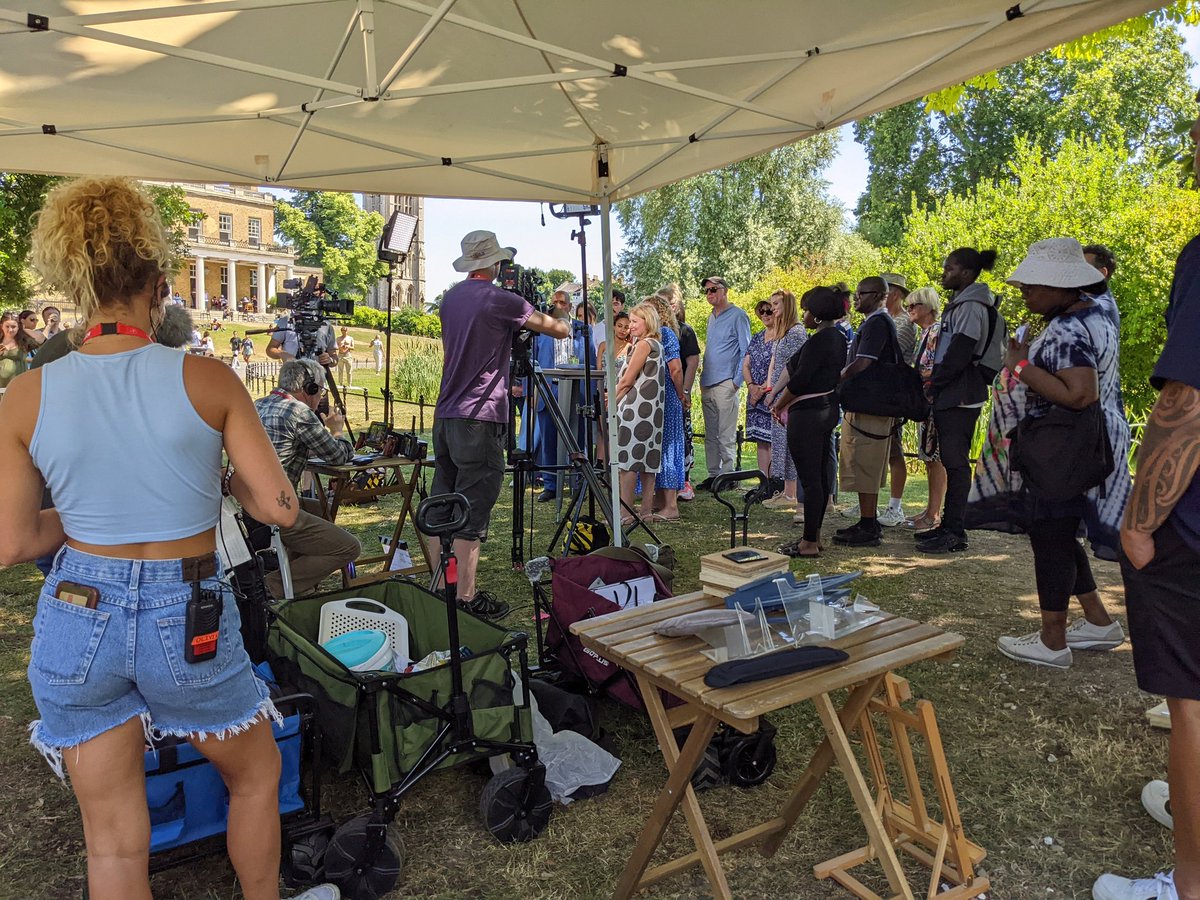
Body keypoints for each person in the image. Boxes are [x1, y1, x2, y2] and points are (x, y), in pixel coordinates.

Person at [0, 175, 337, 900]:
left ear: (78, 286)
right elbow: (280, 507)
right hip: (184, 614)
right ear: (159, 285)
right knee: (256, 775)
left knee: (113, 842)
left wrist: (94, 519)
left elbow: (14, 541)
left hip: (77, 609)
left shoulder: (26, 393)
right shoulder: (208, 378)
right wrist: (208, 485)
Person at [1092, 118, 1200, 893]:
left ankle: (1188, 882)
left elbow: (1188, 398)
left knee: (1193, 705)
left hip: (1192, 525)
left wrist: (1138, 518)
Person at [984, 238, 1130, 669]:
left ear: (1059, 285)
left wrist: (1020, 365)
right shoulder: (1097, 313)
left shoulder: (1066, 327)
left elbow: (1079, 393)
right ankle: (1099, 621)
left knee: (1050, 533)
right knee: (1059, 530)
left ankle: (1052, 641)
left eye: (1031, 285)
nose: (1024, 291)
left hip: (1065, 446)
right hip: (1090, 441)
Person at [430, 230, 568, 620]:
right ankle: (466, 599)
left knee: (444, 502)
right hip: (479, 415)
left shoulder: (451, 298)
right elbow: (558, 330)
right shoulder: (499, 299)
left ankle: (443, 588)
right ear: (492, 264)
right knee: (473, 510)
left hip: (446, 414)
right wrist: (560, 309)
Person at [253, 359, 361, 599]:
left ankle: (301, 588)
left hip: (246, 506)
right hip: (274, 512)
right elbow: (338, 455)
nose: (320, 397)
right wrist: (336, 430)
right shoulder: (298, 411)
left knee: (321, 509)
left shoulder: (257, 405)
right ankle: (273, 588)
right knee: (350, 547)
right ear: (309, 388)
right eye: (320, 390)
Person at [919, 247, 1000, 555]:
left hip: (961, 393)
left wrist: (935, 383)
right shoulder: (964, 304)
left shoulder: (971, 307)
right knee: (951, 460)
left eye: (950, 268)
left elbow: (960, 351)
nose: (944, 272)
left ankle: (955, 530)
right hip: (956, 390)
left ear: (966, 273)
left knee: (955, 461)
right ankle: (948, 525)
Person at [770, 287, 848, 557]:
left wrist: (779, 403)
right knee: (820, 475)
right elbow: (792, 366)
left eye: (806, 310)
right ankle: (813, 534)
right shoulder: (835, 337)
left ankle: (809, 542)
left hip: (809, 413)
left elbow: (800, 379)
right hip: (825, 411)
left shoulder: (821, 340)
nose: (803, 314)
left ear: (815, 315)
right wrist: (774, 394)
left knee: (810, 477)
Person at [833, 276, 899, 548]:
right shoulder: (873, 322)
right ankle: (866, 519)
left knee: (867, 462)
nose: (857, 298)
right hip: (865, 404)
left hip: (872, 405)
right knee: (859, 461)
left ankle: (870, 525)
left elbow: (864, 363)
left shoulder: (878, 323)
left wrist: (838, 377)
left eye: (863, 293)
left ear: (880, 295)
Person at [698, 276, 751, 489]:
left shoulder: (738, 315)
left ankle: (728, 476)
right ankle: (714, 475)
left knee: (726, 433)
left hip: (726, 383)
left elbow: (745, 350)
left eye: (714, 289)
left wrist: (736, 381)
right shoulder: (712, 316)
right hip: (708, 381)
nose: (710, 294)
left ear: (725, 290)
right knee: (710, 434)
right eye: (707, 291)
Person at [615, 304, 664, 525]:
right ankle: (645, 511)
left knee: (628, 462)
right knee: (648, 462)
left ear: (648, 322)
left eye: (635, 321)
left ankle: (625, 514)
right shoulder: (657, 344)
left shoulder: (644, 344)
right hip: (652, 411)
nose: (631, 326)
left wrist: (610, 402)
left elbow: (627, 380)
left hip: (636, 409)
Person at [903, 287, 947, 531]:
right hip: (924, 403)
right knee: (929, 458)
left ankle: (934, 513)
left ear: (929, 307)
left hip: (934, 403)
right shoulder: (924, 333)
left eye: (914, 305)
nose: (910, 309)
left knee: (936, 457)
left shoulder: (937, 332)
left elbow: (934, 367)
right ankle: (930, 509)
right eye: (908, 306)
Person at [762, 290, 807, 513]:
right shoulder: (783, 333)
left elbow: (792, 369)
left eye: (777, 303)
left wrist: (779, 395)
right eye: (771, 304)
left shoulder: (797, 333)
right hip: (779, 393)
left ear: (788, 305)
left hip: (790, 395)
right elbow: (775, 364)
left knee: (791, 444)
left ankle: (792, 493)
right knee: (782, 445)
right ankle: (787, 492)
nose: (772, 308)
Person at [642, 295, 686, 522]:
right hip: (656, 397)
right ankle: (660, 501)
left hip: (667, 396)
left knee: (668, 448)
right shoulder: (655, 336)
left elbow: (676, 369)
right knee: (657, 448)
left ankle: (671, 505)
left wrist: (681, 394)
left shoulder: (666, 334)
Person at [879, 273, 917, 527]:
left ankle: (895, 506)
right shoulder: (887, 319)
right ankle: (868, 501)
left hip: (893, 394)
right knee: (876, 450)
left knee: (894, 450)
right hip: (879, 393)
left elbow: (894, 360)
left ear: (893, 293)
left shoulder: (904, 323)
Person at [660, 283, 700, 501]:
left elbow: (692, 361)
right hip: (659, 392)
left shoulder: (684, 330)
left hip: (678, 389)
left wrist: (685, 389)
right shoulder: (656, 332)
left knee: (683, 435)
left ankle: (684, 479)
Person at [742, 301, 776, 484]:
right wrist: (751, 387)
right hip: (753, 394)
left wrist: (762, 389)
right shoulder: (756, 337)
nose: (765, 314)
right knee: (760, 440)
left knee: (771, 439)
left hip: (770, 394)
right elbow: (746, 364)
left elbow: (779, 367)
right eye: (761, 311)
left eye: (769, 310)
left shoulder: (781, 337)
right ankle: (763, 480)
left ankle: (774, 481)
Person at [0, 310, 37, 391]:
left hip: (19, 386)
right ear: (1, 326)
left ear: (18, 327)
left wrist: (25, 330)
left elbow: (41, 341)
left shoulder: (25, 341)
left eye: (13, 327)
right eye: (7, 326)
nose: (10, 330)